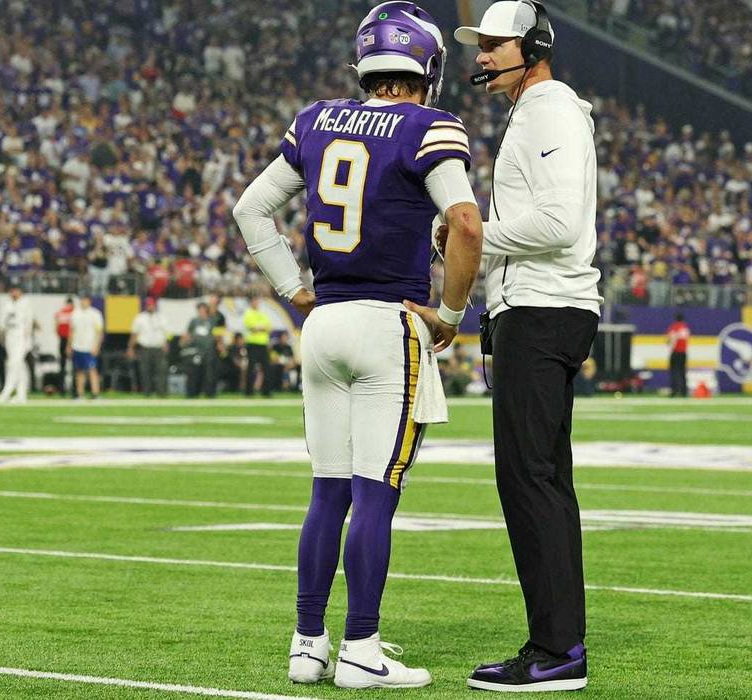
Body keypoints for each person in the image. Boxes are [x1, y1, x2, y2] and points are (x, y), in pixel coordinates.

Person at [232, 2, 482, 688]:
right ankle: (360, 651)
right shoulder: (429, 126)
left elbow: (250, 209)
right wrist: (452, 315)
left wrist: (292, 288)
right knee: (375, 494)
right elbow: (464, 223)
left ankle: (307, 645)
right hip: (385, 323)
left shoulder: (315, 119)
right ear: (426, 66)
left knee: (326, 493)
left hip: (324, 321)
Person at [455, 2, 600, 691]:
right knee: (542, 479)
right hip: (544, 305)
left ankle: (555, 650)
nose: (481, 56)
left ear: (534, 44)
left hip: (542, 308)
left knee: (528, 478)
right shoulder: (538, 111)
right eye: (479, 45)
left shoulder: (547, 111)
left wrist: (468, 235)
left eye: (493, 44)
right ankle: (558, 642)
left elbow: (557, 221)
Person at [0, 283, 36, 404]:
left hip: (21, 336)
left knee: (14, 363)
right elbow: (2, 324)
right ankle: (21, 394)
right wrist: (4, 338)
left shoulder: (25, 303)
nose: (13, 293)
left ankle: (7, 390)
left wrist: (26, 339)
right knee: (19, 366)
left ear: (20, 291)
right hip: (10, 336)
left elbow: (29, 322)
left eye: (16, 290)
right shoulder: (7, 305)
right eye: (12, 291)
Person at [127, 296, 168, 396]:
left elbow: (165, 333)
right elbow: (134, 334)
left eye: (152, 304)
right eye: (148, 305)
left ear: (155, 305)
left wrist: (166, 344)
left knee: (161, 371)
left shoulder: (161, 317)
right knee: (145, 371)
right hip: (145, 347)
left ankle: (161, 392)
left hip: (158, 347)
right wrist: (130, 348)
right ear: (146, 306)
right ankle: (147, 392)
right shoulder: (140, 318)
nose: (150, 306)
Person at [68, 294, 103, 399]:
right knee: (79, 370)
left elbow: (99, 332)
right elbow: (72, 331)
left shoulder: (95, 314)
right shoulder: (75, 313)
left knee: (92, 369)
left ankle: (95, 393)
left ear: (89, 301)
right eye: (82, 300)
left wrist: (96, 346)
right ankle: (80, 393)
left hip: (89, 346)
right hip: (77, 346)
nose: (83, 302)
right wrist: (69, 345)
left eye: (85, 300)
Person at [183, 302, 218, 398]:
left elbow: (216, 334)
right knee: (195, 373)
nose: (201, 312)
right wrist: (185, 341)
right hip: (196, 350)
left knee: (209, 373)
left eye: (203, 309)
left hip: (208, 350)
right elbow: (188, 333)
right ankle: (193, 393)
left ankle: (209, 393)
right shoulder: (194, 321)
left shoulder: (212, 320)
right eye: (200, 310)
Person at [243, 294, 273, 397]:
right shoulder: (248, 313)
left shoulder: (262, 313)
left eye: (257, 301)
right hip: (252, 344)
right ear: (251, 302)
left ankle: (266, 392)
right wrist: (262, 327)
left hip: (263, 344)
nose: (257, 303)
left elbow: (269, 327)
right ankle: (249, 392)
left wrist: (260, 327)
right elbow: (252, 328)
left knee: (266, 369)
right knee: (251, 369)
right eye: (255, 301)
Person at [54, 296, 75, 395]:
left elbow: (56, 326)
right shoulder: (75, 313)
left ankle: (62, 389)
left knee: (63, 365)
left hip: (64, 339)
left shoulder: (61, 313)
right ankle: (72, 390)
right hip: (71, 340)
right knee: (72, 366)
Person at [666, 312, 690, 397]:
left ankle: (674, 391)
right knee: (683, 372)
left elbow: (670, 340)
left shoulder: (674, 327)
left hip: (676, 352)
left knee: (674, 372)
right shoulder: (685, 328)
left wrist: (668, 342)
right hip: (683, 352)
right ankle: (684, 391)